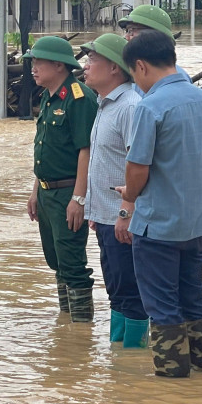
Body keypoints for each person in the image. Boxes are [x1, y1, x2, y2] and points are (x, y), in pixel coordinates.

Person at [119, 30, 202, 378]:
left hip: (158, 225)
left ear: (141, 66)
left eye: (133, 74)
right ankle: (200, 374)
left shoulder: (150, 107)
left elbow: (138, 169)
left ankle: (173, 383)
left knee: (162, 307)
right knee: (193, 298)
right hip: (197, 222)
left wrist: (128, 196)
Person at [79, 33, 149, 347]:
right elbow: (105, 162)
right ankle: (117, 358)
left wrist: (126, 212)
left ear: (114, 69)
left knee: (131, 293)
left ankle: (132, 362)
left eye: (93, 59)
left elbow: (139, 165)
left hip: (123, 219)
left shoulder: (130, 107)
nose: (85, 65)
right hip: (106, 216)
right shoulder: (105, 104)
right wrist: (94, 209)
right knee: (116, 291)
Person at [23, 35, 98, 321]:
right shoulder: (48, 97)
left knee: (72, 264)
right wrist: (35, 192)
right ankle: (66, 326)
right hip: (46, 193)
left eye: (38, 62)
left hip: (68, 192)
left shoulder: (79, 98)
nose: (33, 67)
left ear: (58, 65)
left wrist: (79, 199)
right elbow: (44, 150)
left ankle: (81, 331)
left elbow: (86, 151)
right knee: (56, 260)